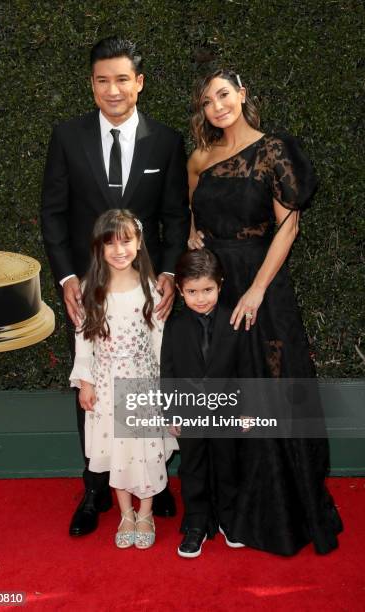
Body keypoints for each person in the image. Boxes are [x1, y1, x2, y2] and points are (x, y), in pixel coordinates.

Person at [187, 68, 342, 556]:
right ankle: (227, 508)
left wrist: (255, 290)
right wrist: (194, 238)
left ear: (242, 94)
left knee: (269, 392)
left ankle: (280, 511)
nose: (218, 106)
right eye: (208, 100)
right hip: (217, 288)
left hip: (262, 287)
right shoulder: (199, 158)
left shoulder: (274, 150)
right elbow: (192, 214)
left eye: (224, 94)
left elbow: (288, 228)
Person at [41, 36, 189, 535]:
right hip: (90, 291)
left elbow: (174, 214)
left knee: (148, 382)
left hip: (146, 291)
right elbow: (53, 213)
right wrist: (65, 277)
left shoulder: (165, 141)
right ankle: (95, 487)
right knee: (93, 387)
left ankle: (155, 482)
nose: (113, 89)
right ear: (92, 84)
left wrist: (168, 273)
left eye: (122, 79)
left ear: (139, 83)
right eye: (103, 80)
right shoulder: (67, 136)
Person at [69, 209, 176, 548]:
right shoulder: (91, 289)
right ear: (99, 248)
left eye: (126, 241)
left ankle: (146, 513)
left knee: (143, 451)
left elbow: (159, 341)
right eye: (110, 243)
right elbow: (83, 338)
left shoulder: (151, 288)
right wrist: (85, 382)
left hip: (142, 385)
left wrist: (165, 389)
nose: (119, 250)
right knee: (115, 450)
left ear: (139, 242)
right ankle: (125, 513)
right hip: (105, 385)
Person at [161, 249, 251, 558]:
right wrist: (171, 412)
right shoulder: (174, 327)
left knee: (228, 465)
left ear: (220, 285)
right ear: (181, 289)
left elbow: (245, 370)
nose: (201, 298)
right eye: (192, 291)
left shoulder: (235, 320)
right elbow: (168, 371)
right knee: (193, 467)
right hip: (188, 413)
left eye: (208, 290)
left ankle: (228, 517)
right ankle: (196, 522)